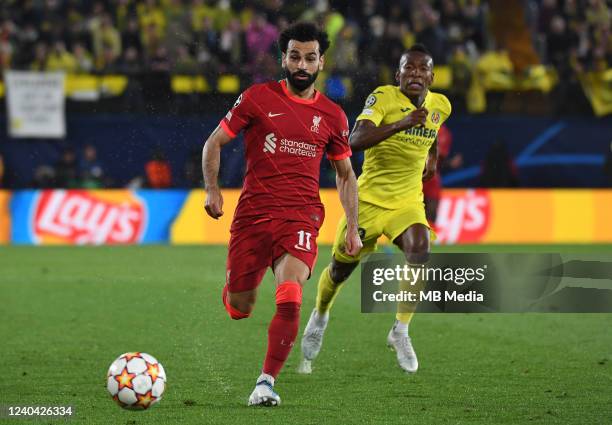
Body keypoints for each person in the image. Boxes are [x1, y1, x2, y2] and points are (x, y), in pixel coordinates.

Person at [201, 22, 362, 407]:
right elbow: (215, 141)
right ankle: (235, 291)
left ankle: (266, 382)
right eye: (294, 56)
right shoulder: (257, 98)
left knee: (290, 293)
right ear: (283, 59)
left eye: (309, 58)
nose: (301, 64)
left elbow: (345, 175)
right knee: (241, 307)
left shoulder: (333, 116)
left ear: (321, 61)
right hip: (253, 216)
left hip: (301, 217)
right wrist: (212, 189)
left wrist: (353, 227)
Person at [299, 44, 452, 375]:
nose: (415, 74)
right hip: (367, 200)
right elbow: (355, 139)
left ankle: (400, 330)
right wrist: (403, 123)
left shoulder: (442, 105)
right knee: (340, 270)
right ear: (398, 75)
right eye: (407, 69)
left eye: (421, 69)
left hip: (407, 201)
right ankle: (320, 315)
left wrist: (433, 158)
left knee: (420, 249)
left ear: (431, 76)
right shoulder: (383, 98)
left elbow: (433, 130)